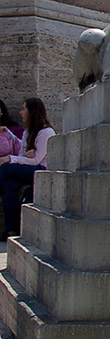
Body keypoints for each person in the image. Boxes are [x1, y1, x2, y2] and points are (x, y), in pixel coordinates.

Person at [0, 98, 55, 240]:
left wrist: (10, 159)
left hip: (41, 170)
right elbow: (23, 153)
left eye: (24, 109)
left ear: (32, 112)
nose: (21, 112)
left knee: (6, 168)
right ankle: (11, 229)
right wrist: (9, 134)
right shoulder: (28, 132)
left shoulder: (46, 133)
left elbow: (36, 160)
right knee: (9, 185)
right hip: (28, 168)